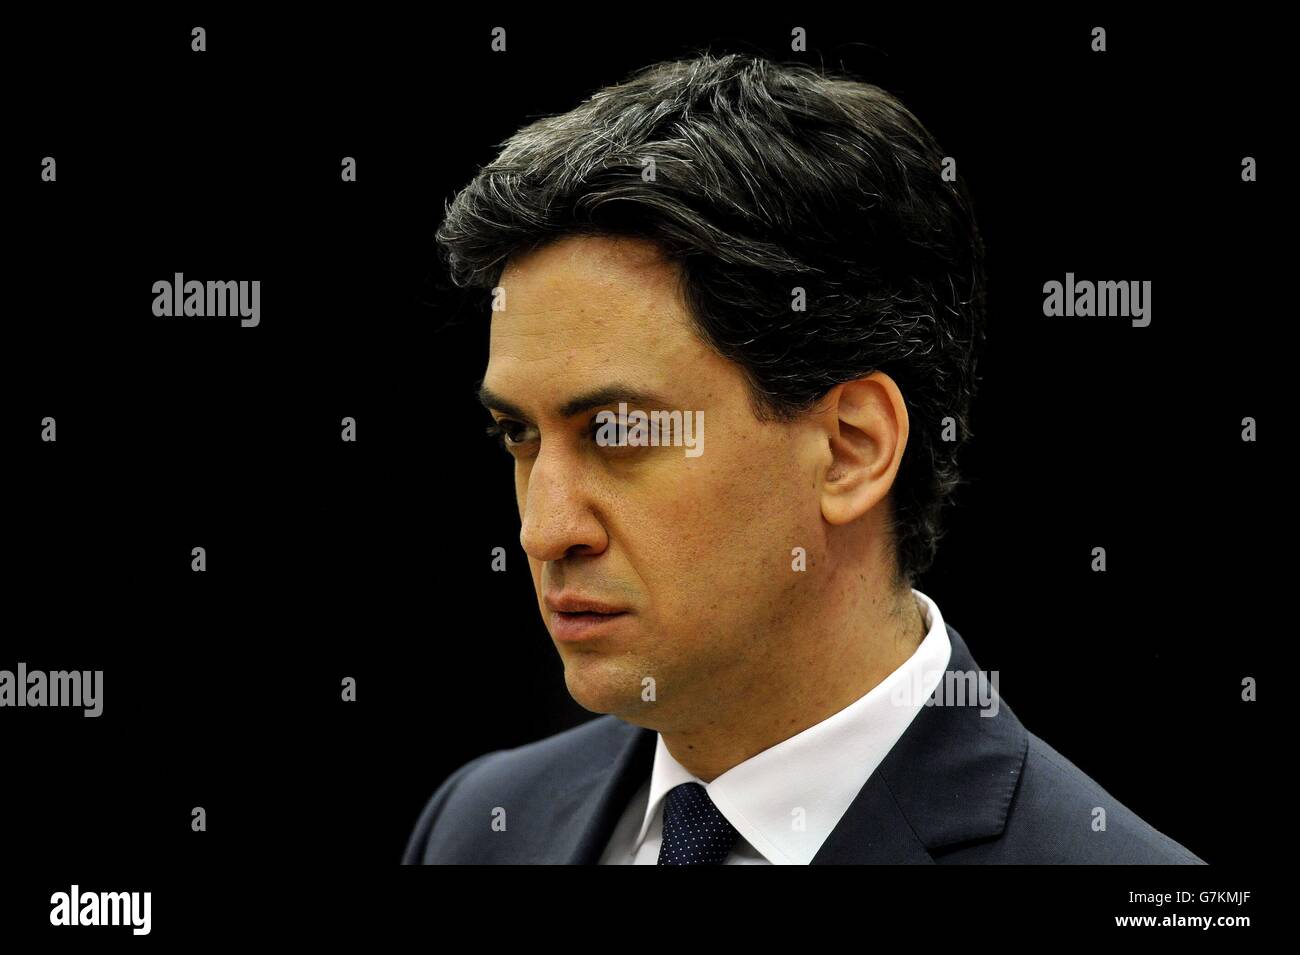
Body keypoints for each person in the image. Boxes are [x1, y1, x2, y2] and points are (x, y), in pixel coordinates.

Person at [403, 53, 1204, 864]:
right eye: (518, 434)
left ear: (852, 450)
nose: (544, 529)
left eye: (618, 433)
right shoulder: (479, 826)